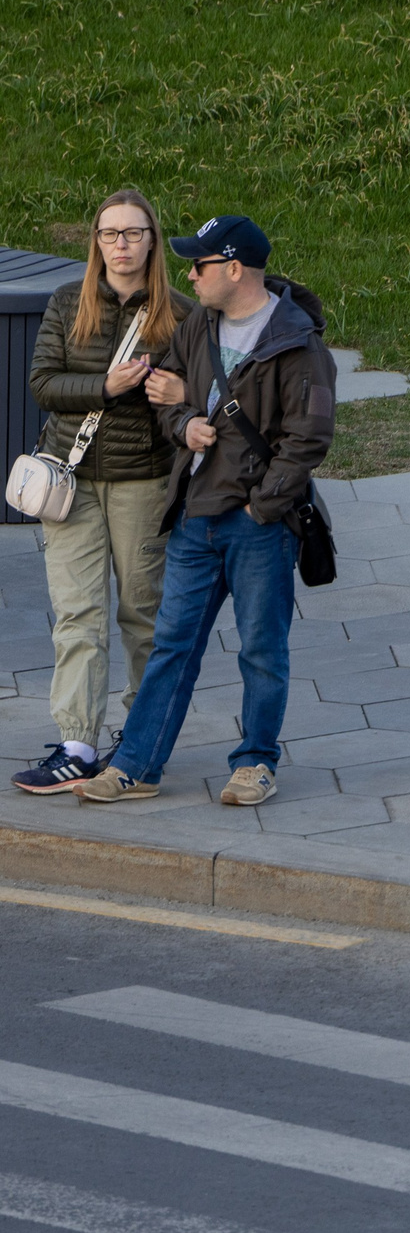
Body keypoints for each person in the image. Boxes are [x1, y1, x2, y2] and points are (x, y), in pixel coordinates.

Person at [77, 216, 335, 809]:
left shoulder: (299, 345)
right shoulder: (199, 327)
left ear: (234, 269)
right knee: (173, 644)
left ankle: (255, 764)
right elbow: (167, 390)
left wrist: (261, 505)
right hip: (196, 514)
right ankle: (137, 766)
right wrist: (182, 422)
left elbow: (309, 439)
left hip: (258, 526)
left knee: (260, 648)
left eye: (200, 265)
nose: (188, 275)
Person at [15, 191, 194, 794]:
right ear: (95, 242)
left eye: (133, 233)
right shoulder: (70, 302)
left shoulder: (182, 313)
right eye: (109, 234)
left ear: (151, 239)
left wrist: (175, 395)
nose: (120, 244)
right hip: (72, 480)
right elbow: (43, 383)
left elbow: (198, 397)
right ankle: (78, 743)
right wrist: (106, 385)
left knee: (143, 614)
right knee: (77, 613)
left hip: (143, 481)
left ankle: (140, 745)